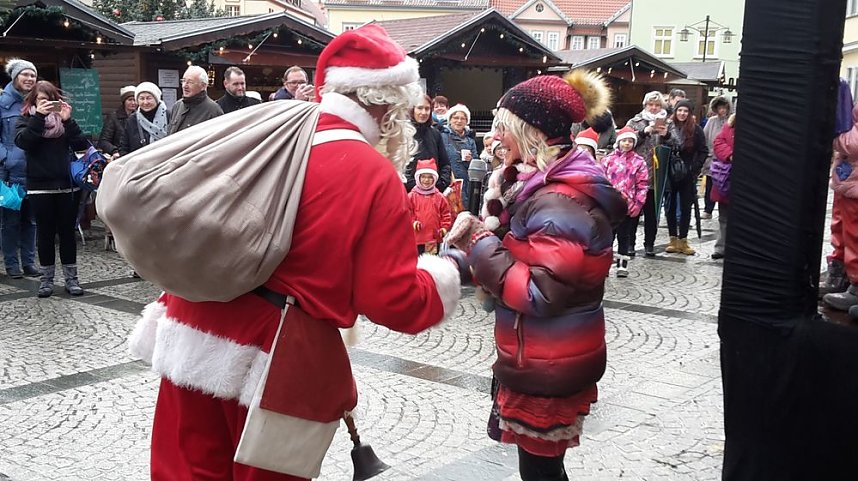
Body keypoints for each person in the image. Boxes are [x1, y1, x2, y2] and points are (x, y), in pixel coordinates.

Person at [128, 24, 462, 481]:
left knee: (183, 471)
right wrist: (450, 272)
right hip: (275, 354)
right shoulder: (371, 170)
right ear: (387, 102)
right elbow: (392, 299)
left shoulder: (272, 131)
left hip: (191, 323)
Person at [445, 71, 626, 481]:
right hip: (543, 358)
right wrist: (458, 260)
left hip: (549, 362)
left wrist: (477, 241)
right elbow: (513, 258)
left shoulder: (557, 203)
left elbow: (539, 292)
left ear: (532, 133)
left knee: (541, 473)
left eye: (502, 127)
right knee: (543, 469)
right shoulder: (537, 188)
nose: (494, 137)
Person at [15, 80, 88, 297]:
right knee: (45, 234)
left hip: (66, 185)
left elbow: (81, 146)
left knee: (67, 233)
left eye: (51, 99)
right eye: (43, 100)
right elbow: (24, 142)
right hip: (39, 186)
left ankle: (71, 279)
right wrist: (39, 117)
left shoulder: (64, 123)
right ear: (34, 101)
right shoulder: (26, 119)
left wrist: (69, 121)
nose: (48, 104)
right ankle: (46, 280)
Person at [0, 58, 38, 279]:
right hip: (9, 173)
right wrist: (6, 157)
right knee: (10, 222)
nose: (30, 79)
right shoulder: (3, 103)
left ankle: (29, 262)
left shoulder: (37, 102)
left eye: (33, 75)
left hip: (33, 171)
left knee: (31, 221)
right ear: (15, 77)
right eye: (25, 74)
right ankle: (12, 264)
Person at [626, 91, 670, 257]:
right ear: (645, 105)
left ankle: (649, 244)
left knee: (652, 212)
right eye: (651, 104)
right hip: (636, 173)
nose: (653, 108)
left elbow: (677, 143)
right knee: (634, 211)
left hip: (656, 174)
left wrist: (667, 135)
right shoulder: (635, 121)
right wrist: (644, 132)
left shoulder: (667, 123)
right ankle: (630, 243)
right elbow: (626, 141)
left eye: (657, 105)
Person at [823, 101, 858, 313]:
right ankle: (841, 274)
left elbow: (853, 144)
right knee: (842, 229)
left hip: (854, 184)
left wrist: (836, 134)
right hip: (846, 182)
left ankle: (855, 285)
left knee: (854, 234)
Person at [600, 126, 649, 276]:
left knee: (624, 235)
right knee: (608, 235)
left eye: (630, 141)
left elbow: (643, 184)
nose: (627, 144)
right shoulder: (608, 160)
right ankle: (605, 264)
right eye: (624, 141)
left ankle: (623, 264)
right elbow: (601, 181)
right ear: (619, 142)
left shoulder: (639, 162)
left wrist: (638, 203)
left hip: (628, 205)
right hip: (610, 206)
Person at [663, 99, 708, 255]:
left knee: (686, 207)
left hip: (687, 173)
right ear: (675, 112)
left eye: (685, 111)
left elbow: (703, 150)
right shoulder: (667, 127)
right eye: (679, 110)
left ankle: (683, 239)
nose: (682, 113)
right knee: (670, 206)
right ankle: (673, 239)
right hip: (670, 171)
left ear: (689, 113)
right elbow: (660, 146)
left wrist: (695, 168)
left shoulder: (695, 130)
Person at [403, 94, 451, 192]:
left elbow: (445, 163)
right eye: (420, 108)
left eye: (427, 108)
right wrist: (414, 185)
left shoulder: (435, 134)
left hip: (434, 193)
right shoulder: (404, 133)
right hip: (409, 193)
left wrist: (440, 183)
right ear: (413, 109)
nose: (423, 112)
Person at [409, 158, 452, 254]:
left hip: (433, 238)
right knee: (417, 261)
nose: (426, 180)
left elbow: (446, 214)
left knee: (431, 261)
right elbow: (407, 213)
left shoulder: (439, 197)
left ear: (434, 179)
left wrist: (444, 227)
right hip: (416, 238)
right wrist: (413, 222)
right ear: (418, 178)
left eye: (430, 177)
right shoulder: (412, 196)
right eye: (423, 177)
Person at [167, 65, 223, 135]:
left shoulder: (213, 110)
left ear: (203, 86)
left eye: (190, 82)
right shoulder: (177, 105)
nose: (185, 85)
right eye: (183, 81)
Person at [701, 96, 732, 219]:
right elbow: (705, 137)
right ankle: (708, 209)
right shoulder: (711, 121)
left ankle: (723, 212)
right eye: (720, 107)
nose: (722, 110)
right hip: (712, 159)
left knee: (724, 186)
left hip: (726, 160)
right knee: (710, 185)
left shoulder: (731, 121)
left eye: (724, 107)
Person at [119, 82, 170, 156]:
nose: (145, 102)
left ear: (156, 99)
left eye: (149, 98)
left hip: (165, 164)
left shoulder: (169, 116)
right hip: (139, 165)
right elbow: (124, 148)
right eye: (142, 98)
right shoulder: (132, 120)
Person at [441, 103, 477, 208]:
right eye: (455, 118)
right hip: (448, 181)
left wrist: (471, 160)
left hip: (465, 183)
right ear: (450, 120)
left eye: (463, 118)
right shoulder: (442, 136)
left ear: (467, 121)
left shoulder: (470, 141)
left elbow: (476, 162)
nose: (459, 121)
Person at [711, 113, 735, 260]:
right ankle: (721, 247)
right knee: (724, 217)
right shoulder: (729, 126)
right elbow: (718, 143)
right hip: (726, 178)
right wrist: (731, 155)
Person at [97, 85, 136, 158]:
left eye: (135, 100)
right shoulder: (113, 117)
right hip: (119, 156)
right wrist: (114, 151)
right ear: (124, 101)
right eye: (130, 100)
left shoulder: (139, 117)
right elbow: (103, 141)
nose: (133, 103)